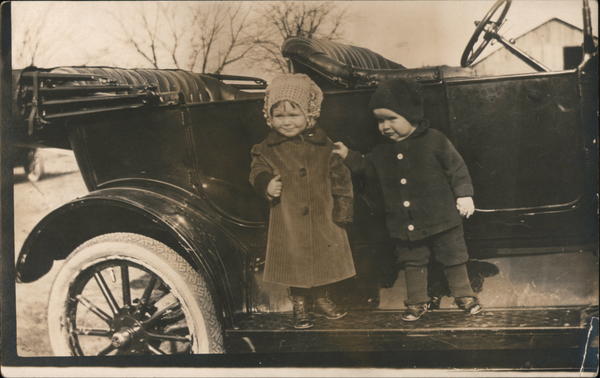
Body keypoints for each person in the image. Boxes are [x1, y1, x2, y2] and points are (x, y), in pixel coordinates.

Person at [333, 78, 482, 321]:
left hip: (443, 217)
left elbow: (457, 168)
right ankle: (416, 302)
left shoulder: (435, 140)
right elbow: (367, 167)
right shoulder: (381, 151)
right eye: (380, 120)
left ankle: (464, 295)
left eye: (392, 118)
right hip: (405, 222)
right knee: (412, 261)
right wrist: (347, 155)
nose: (385, 126)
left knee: (453, 256)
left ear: (411, 115)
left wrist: (464, 194)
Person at [249, 74, 356, 329]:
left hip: (323, 213)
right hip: (288, 217)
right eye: (279, 116)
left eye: (293, 115)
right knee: (294, 259)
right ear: (270, 118)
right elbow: (257, 169)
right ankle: (299, 303)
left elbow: (340, 175)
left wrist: (343, 207)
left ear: (309, 115)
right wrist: (266, 183)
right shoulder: (267, 148)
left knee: (324, 258)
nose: (286, 122)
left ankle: (322, 297)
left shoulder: (324, 145)